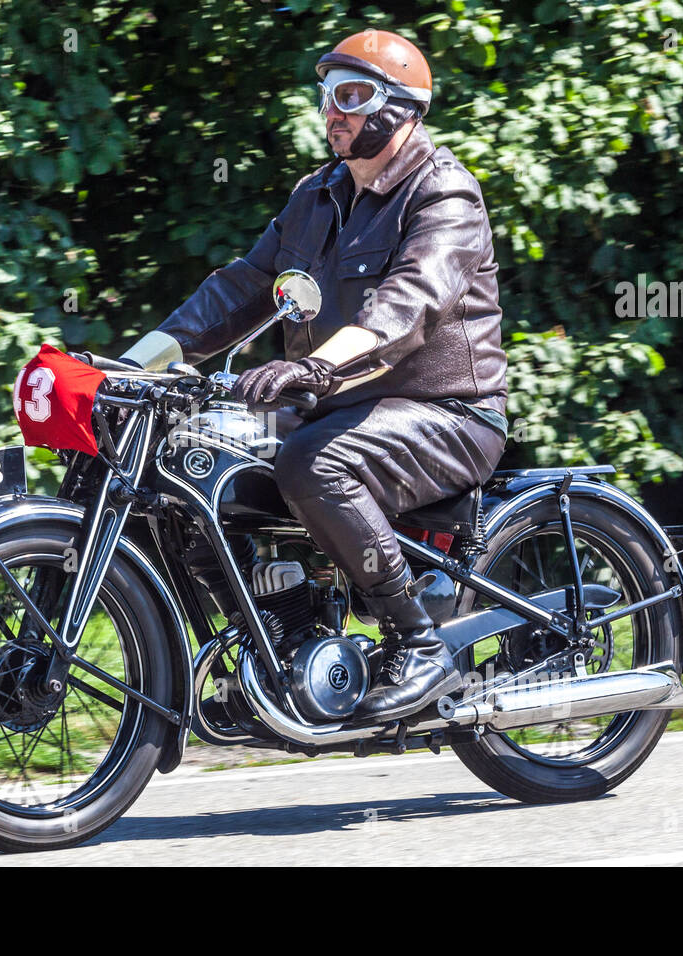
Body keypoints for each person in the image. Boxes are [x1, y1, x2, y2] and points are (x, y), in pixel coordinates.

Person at [119, 29, 508, 723]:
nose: (332, 110)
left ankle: (420, 644)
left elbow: (408, 305)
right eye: (326, 94)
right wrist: (132, 365)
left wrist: (315, 366)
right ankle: (274, 646)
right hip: (337, 409)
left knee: (312, 463)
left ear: (400, 107)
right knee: (189, 468)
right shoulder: (316, 196)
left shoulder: (443, 193)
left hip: (447, 414)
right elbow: (240, 289)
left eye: (351, 95)